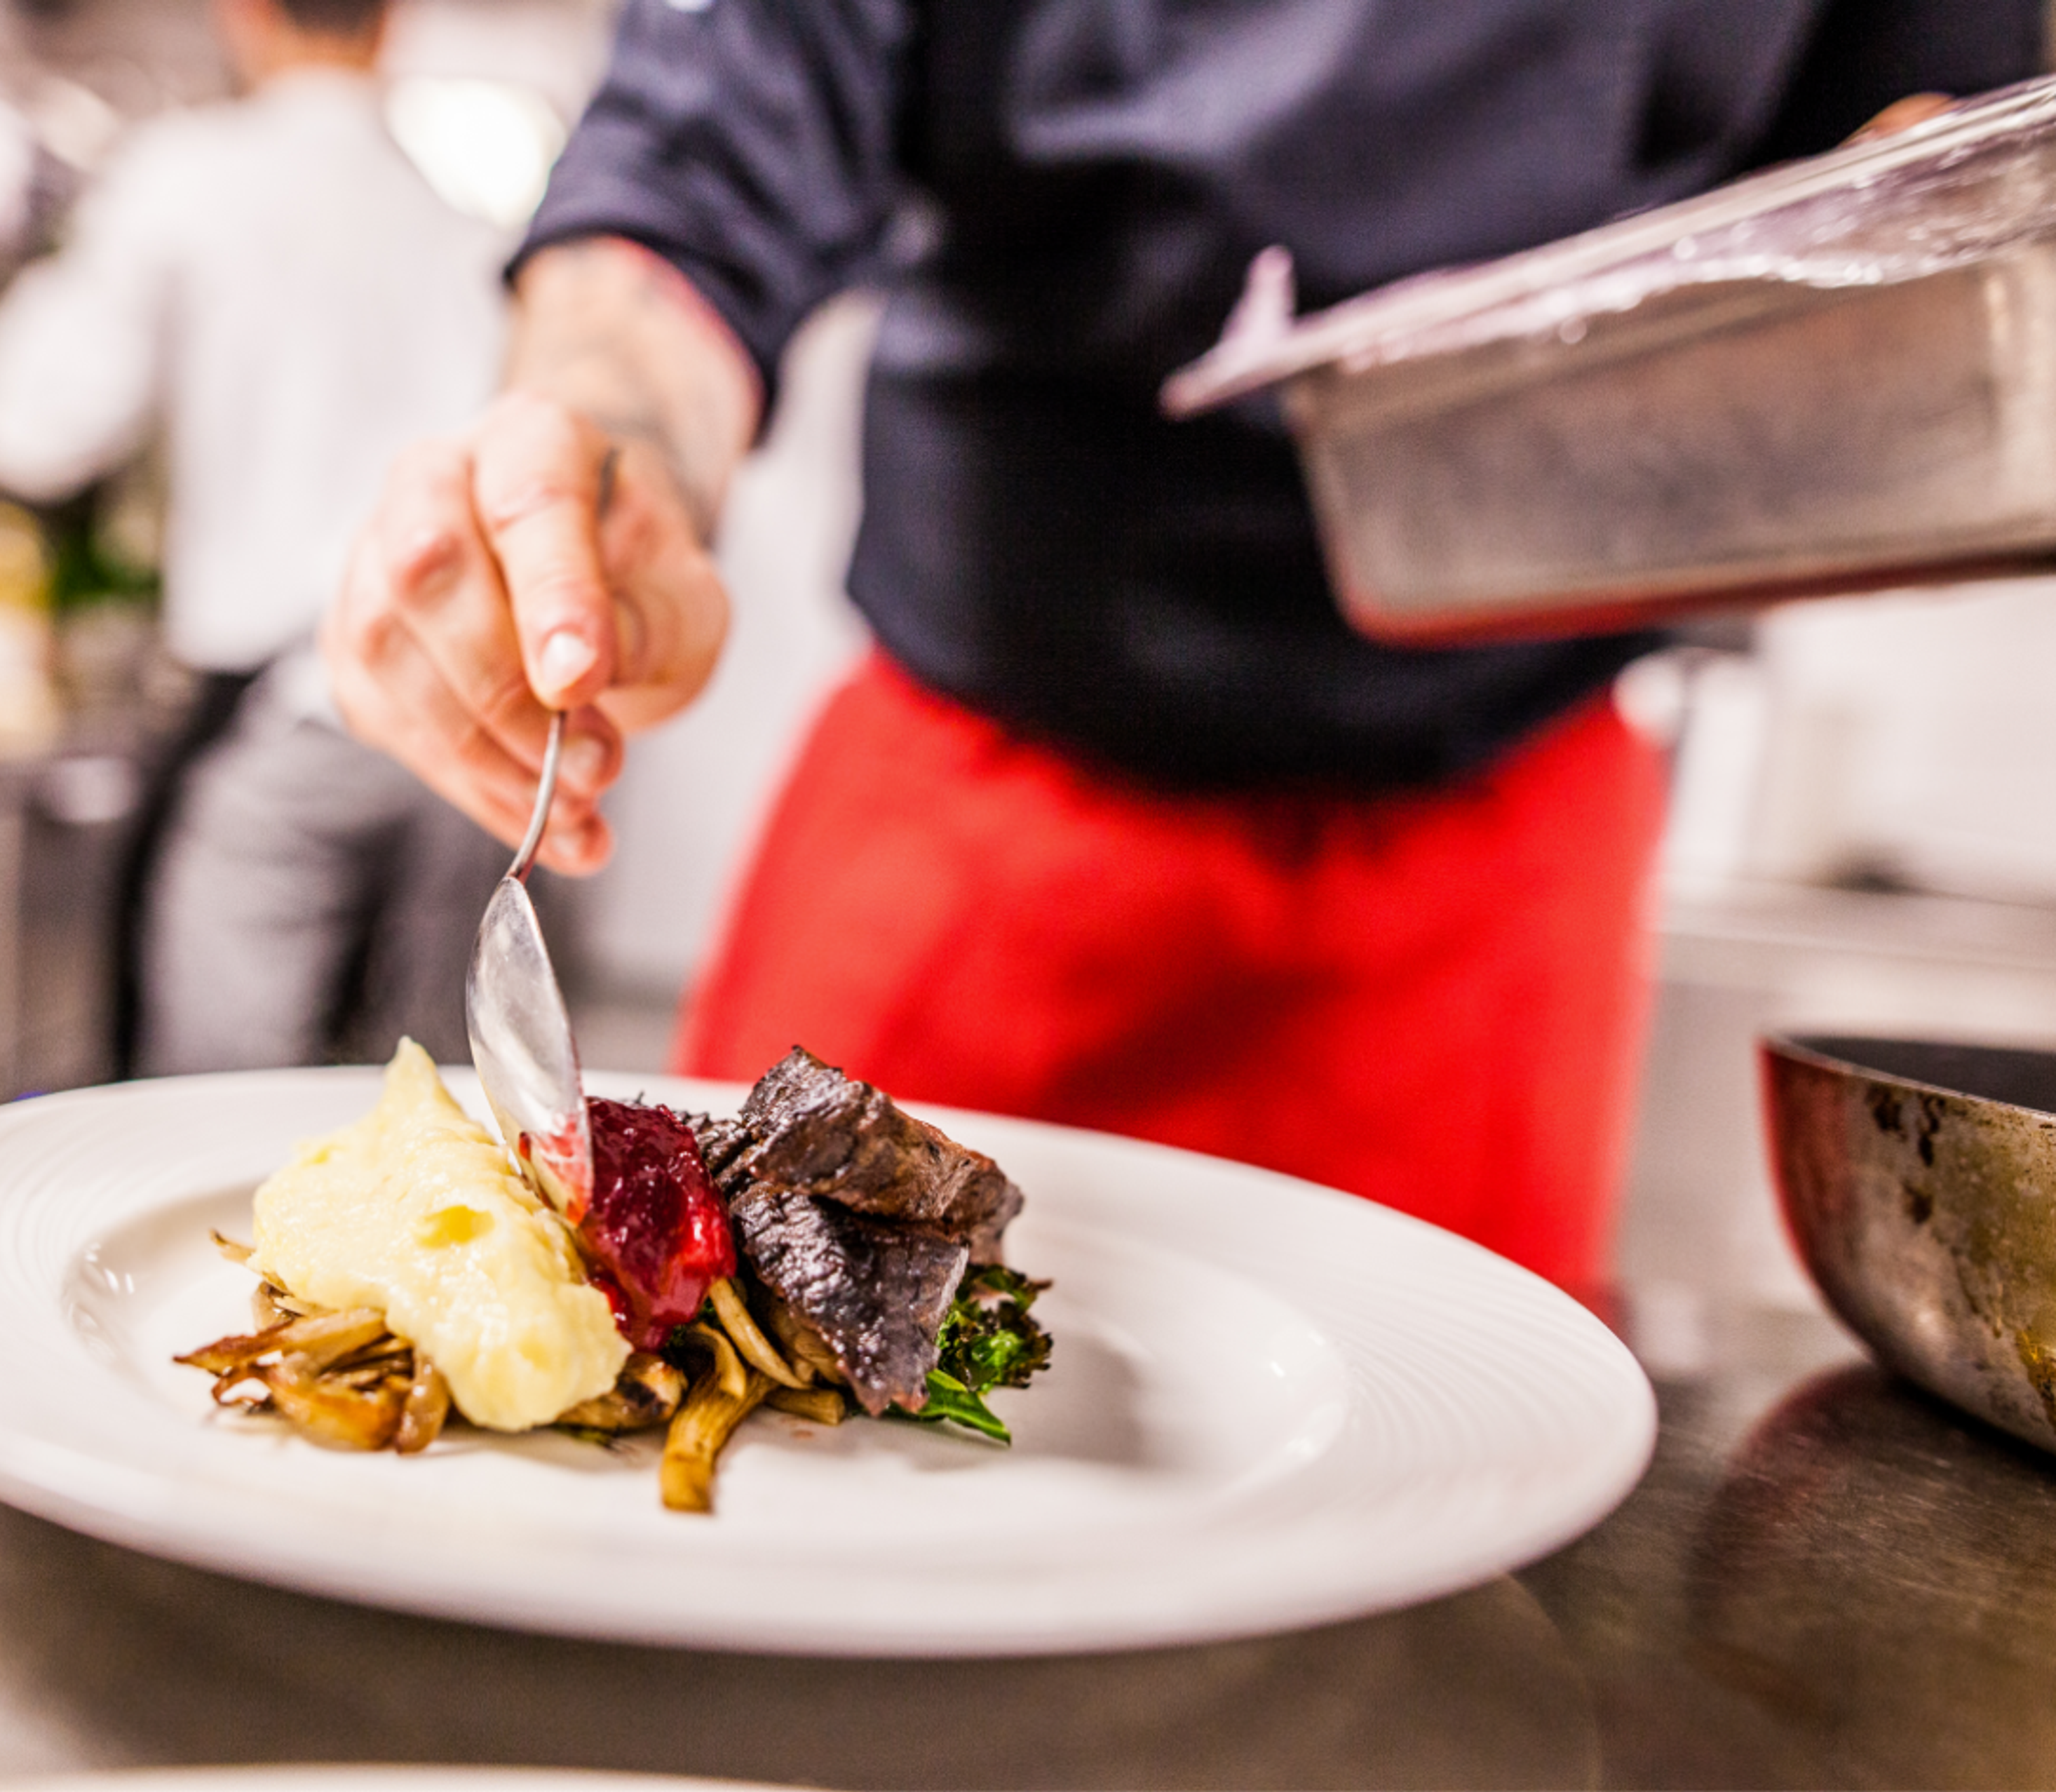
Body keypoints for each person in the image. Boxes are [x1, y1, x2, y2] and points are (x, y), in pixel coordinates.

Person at [316, 0, 2043, 1293]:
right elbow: (699, 171)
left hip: (1493, 862)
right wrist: (600, 447)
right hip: (980, 815)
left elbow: (1926, 139)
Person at [0, 0, 512, 1074]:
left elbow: (22, 425)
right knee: (428, 1105)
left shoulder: (188, 175)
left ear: (242, 16)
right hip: (456, 731)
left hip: (280, 721)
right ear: (390, 24)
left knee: (220, 1114)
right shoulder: (461, 228)